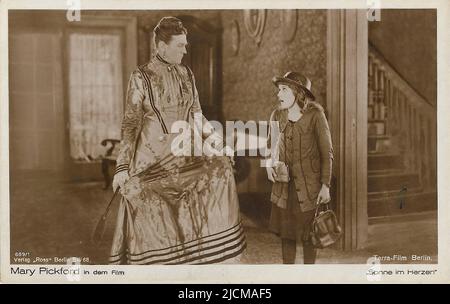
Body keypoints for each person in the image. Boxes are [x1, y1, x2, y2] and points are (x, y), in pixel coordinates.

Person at [109, 17, 246, 265]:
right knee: (151, 220)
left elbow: (197, 116)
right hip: (151, 161)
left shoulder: (187, 74)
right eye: (180, 45)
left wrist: (218, 142)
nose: (185, 50)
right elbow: (130, 124)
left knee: (219, 172)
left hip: (185, 155)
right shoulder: (141, 76)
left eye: (186, 44)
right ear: (162, 46)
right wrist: (122, 167)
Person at [266, 71, 333, 264]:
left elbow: (326, 152)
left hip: (309, 188)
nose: (279, 94)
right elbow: (270, 146)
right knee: (287, 237)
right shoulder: (277, 115)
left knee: (309, 237)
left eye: (284, 90)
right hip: (284, 187)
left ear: (298, 92)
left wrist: (325, 185)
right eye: (279, 90)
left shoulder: (315, 115)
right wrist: (268, 164)